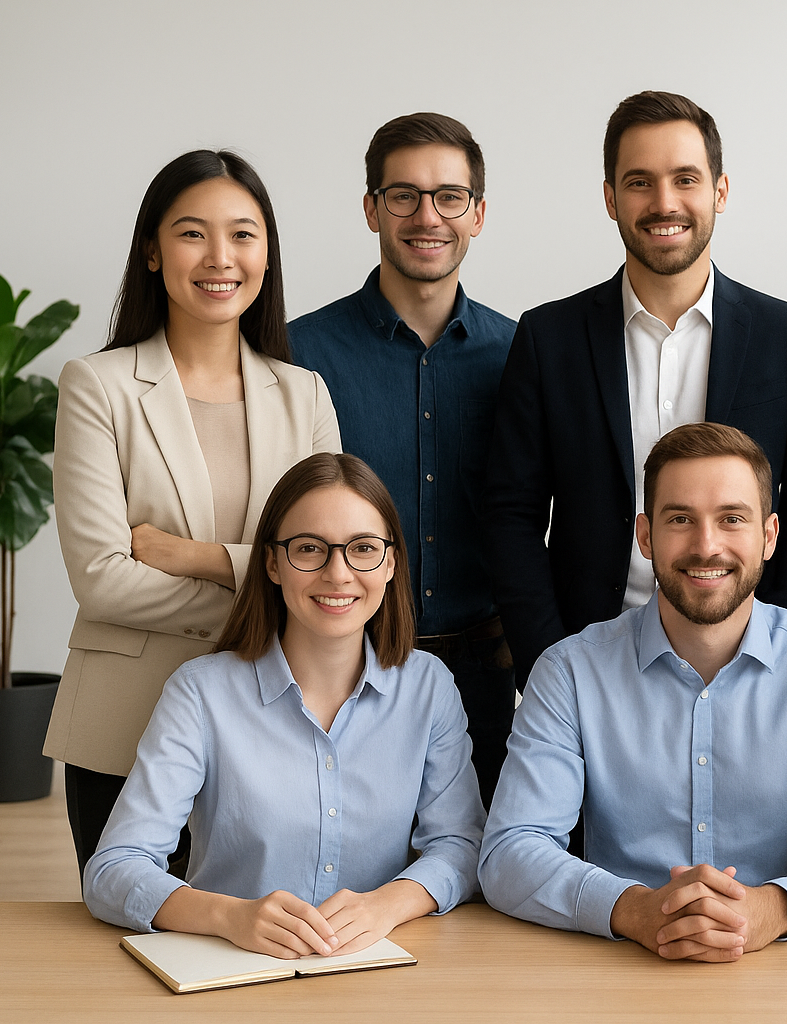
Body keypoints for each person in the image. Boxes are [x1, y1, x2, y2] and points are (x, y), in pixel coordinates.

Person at [479, 423, 787, 961]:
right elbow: (509, 852)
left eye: (732, 519)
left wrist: (773, 909)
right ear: (645, 536)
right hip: (620, 966)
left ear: (770, 536)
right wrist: (636, 910)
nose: (707, 547)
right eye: (680, 519)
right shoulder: (569, 671)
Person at [482, 90, 787, 689]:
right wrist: (549, 662)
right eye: (640, 182)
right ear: (610, 198)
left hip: (749, 663)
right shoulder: (550, 339)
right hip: (589, 664)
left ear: (719, 191)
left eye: (685, 178)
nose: (664, 202)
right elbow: (511, 516)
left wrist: (782, 664)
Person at [45, 150, 340, 873]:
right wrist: (264, 589)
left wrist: (199, 558)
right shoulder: (98, 387)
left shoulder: (303, 394)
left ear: (267, 254)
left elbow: (332, 560)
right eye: (191, 233)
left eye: (243, 234)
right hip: (125, 724)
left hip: (271, 729)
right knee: (128, 943)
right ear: (152, 250)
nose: (220, 257)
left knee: (261, 946)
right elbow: (103, 580)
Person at [84, 453, 484, 957]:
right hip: (232, 974)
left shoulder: (429, 688)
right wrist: (228, 916)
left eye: (362, 548)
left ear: (391, 562)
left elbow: (463, 845)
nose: (338, 574)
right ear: (272, 562)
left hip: (381, 976)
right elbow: (113, 868)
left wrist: (387, 905)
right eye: (309, 549)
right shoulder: (200, 693)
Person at [290, 113, 516, 811]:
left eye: (450, 196)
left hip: (486, 669)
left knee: (482, 884)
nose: (428, 216)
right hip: (338, 667)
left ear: (478, 215)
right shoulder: (299, 354)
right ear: (371, 209)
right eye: (403, 196)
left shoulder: (523, 355)